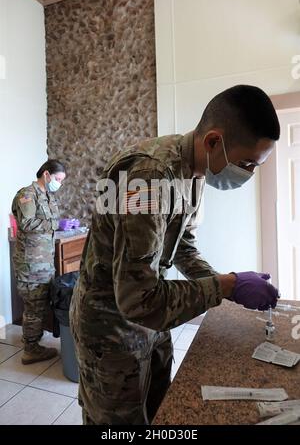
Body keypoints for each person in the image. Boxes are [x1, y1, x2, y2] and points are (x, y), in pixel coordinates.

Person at [70, 85, 280, 425]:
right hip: (110, 329)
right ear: (214, 141)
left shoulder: (194, 173)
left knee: (158, 414)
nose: (248, 174)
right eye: (246, 163)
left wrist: (227, 283)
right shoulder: (150, 177)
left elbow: (182, 247)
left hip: (150, 324)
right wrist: (224, 286)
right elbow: (137, 298)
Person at [12, 160, 66, 364]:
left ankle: (33, 340)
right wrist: (54, 223)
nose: (59, 184)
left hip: (43, 263)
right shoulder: (27, 194)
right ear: (46, 174)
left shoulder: (47, 196)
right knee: (34, 306)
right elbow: (26, 223)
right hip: (31, 265)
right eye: (58, 179)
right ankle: (31, 350)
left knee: (40, 304)